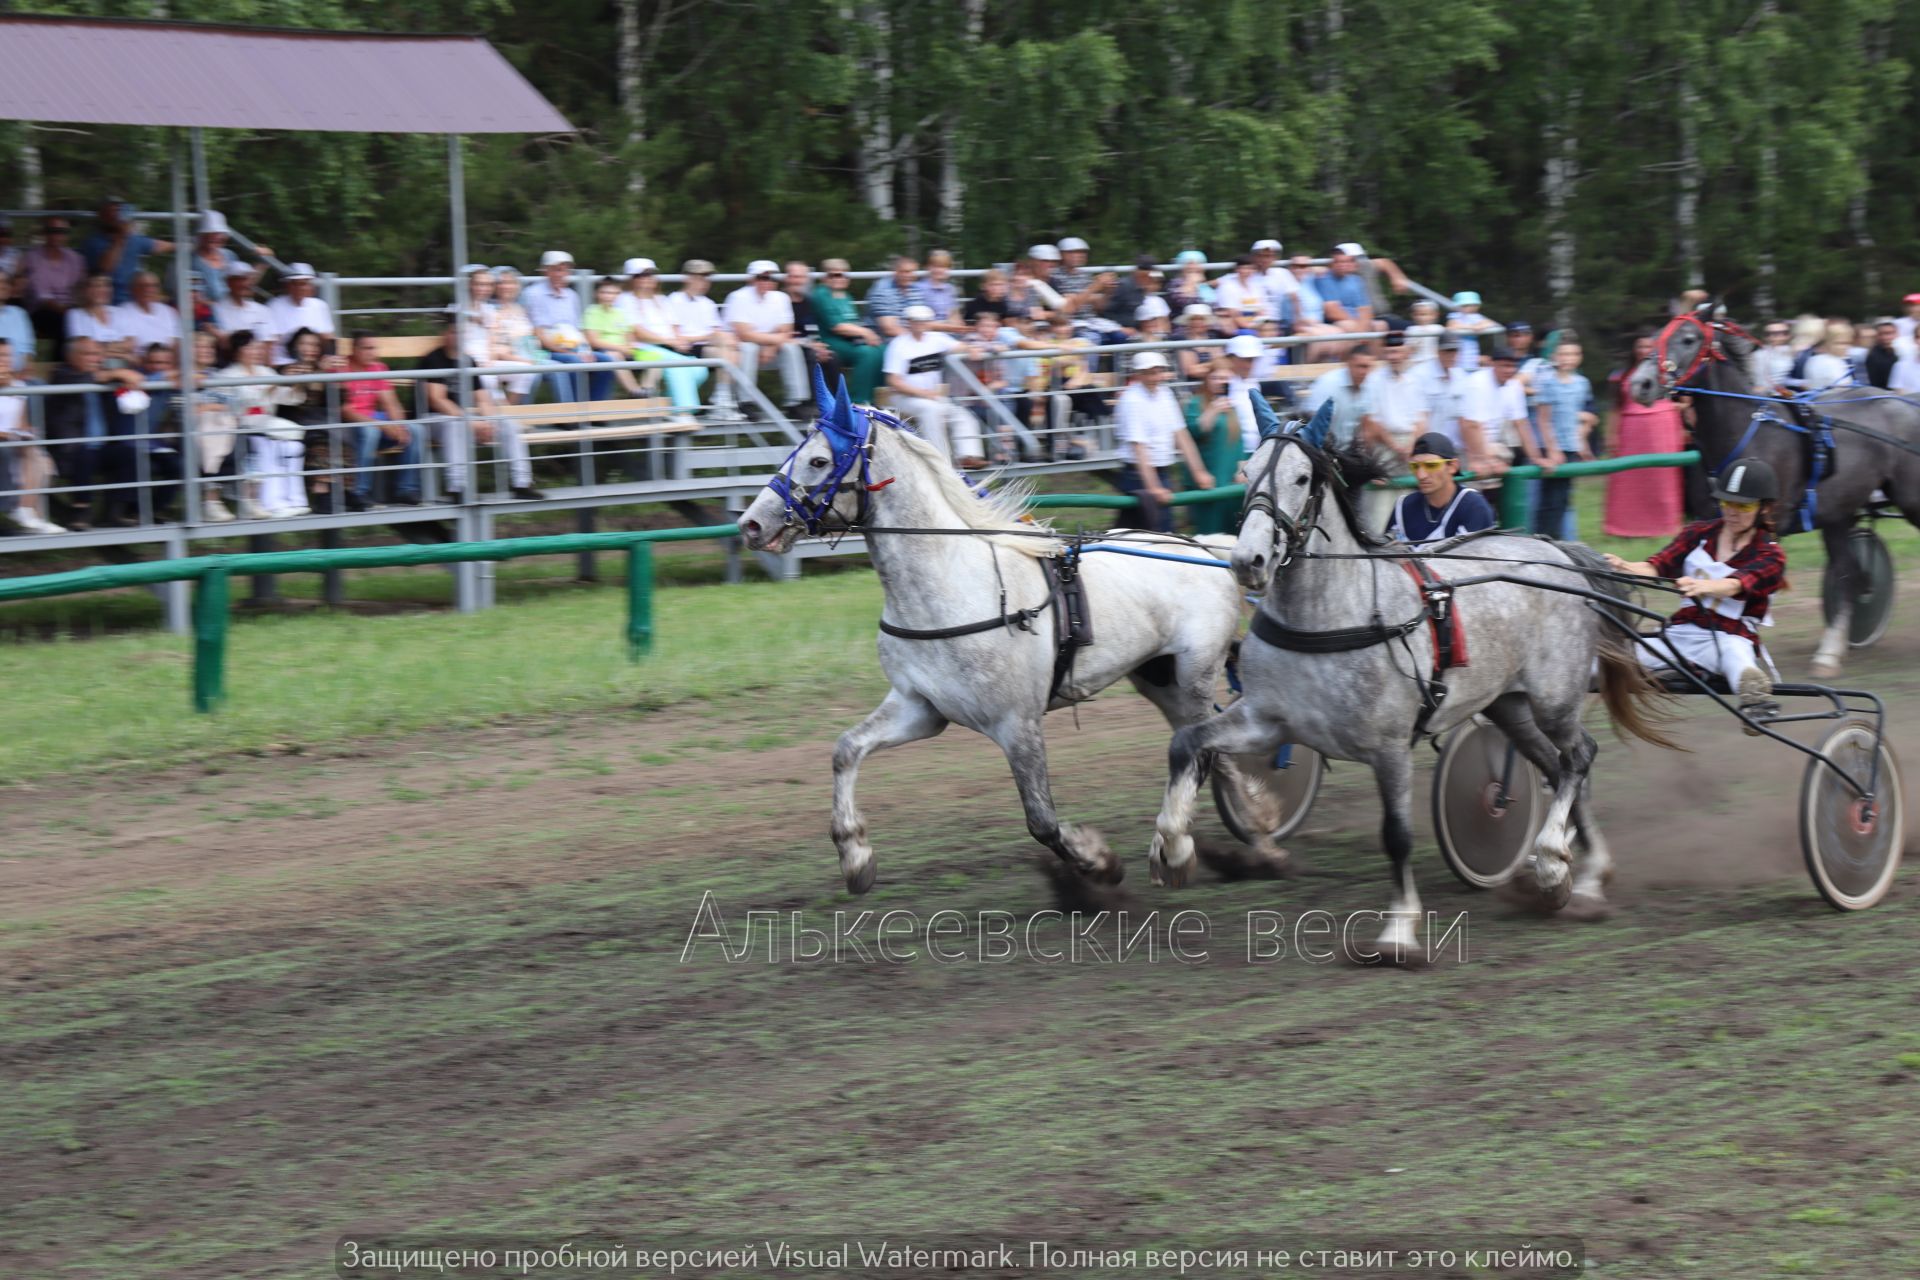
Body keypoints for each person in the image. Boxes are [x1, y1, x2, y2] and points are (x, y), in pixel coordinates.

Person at [1605, 457, 1786, 726]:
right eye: (1726, 502)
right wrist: (1623, 566)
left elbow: (1738, 583)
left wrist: (1707, 586)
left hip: (1728, 637)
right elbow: (1656, 567)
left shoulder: (1771, 555)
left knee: (1736, 658)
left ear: (1764, 508)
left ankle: (1754, 699)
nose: (1732, 512)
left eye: (1743, 505)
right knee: (1613, 656)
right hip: (1679, 635)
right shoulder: (1697, 533)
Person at [414, 312, 543, 503]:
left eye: (462, 333)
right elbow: (437, 400)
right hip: (432, 419)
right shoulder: (433, 360)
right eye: (454, 332)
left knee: (507, 425)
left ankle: (522, 484)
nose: (458, 336)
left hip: (461, 419)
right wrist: (471, 422)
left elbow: (483, 399)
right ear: (445, 334)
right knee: (454, 425)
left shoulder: (469, 361)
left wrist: (488, 422)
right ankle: (457, 488)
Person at [43, 336, 145, 529]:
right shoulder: (61, 374)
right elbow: (80, 380)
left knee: (129, 453)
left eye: (97, 354)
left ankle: (116, 511)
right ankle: (81, 511)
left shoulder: (104, 378)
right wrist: (117, 373)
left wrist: (121, 378)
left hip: (101, 447)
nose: (94, 358)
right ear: (70, 356)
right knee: (85, 454)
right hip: (70, 449)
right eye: (87, 353)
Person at [1110, 351, 1211, 533]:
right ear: (1138, 374)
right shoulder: (1132, 400)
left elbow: (1181, 434)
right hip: (1138, 475)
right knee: (1151, 535)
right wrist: (1153, 487)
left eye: (1158, 372)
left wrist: (1199, 472)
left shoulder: (1165, 393)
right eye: (1149, 373)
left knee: (1154, 534)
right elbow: (1139, 447)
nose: (1155, 377)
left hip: (1158, 473)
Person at [219, 329, 309, 518]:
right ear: (238, 351)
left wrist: (297, 383)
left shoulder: (265, 371)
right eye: (249, 347)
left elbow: (287, 398)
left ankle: (295, 499)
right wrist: (273, 386)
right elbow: (238, 406)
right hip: (243, 424)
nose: (254, 351)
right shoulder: (226, 376)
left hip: (266, 421)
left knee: (294, 441)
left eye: (255, 347)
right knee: (270, 445)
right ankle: (273, 503)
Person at [1604, 333, 1685, 538]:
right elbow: (1616, 407)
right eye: (1640, 346)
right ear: (1634, 349)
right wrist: (1611, 434)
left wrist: (1670, 409)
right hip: (1631, 430)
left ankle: (1664, 526)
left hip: (1662, 430)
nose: (1644, 350)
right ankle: (1626, 528)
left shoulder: (1669, 373)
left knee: (1661, 479)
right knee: (1629, 477)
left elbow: (1686, 401)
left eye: (1649, 346)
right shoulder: (1622, 374)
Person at [882, 303, 984, 466]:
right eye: (917, 321)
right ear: (908, 322)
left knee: (963, 415)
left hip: (931, 396)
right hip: (904, 397)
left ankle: (968, 456)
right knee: (932, 411)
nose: (921, 324)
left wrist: (971, 349)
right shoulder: (898, 345)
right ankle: (939, 459)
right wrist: (923, 394)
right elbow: (893, 381)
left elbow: (959, 346)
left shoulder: (936, 338)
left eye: (924, 321)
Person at [341, 331, 424, 509]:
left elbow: (391, 403)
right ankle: (359, 492)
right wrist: (381, 425)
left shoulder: (378, 368)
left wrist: (398, 425)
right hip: (348, 424)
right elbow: (344, 410)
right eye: (367, 348)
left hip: (373, 418)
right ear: (354, 349)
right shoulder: (342, 368)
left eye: (374, 348)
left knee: (416, 430)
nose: (373, 352)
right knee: (370, 432)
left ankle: (406, 489)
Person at [616, 257, 709, 410]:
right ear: (632, 279)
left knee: (699, 369)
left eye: (651, 274)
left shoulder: (661, 299)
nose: (648, 278)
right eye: (642, 275)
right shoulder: (625, 299)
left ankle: (668, 408)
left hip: (666, 345)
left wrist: (678, 341)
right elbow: (637, 331)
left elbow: (674, 326)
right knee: (677, 367)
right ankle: (684, 412)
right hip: (641, 346)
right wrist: (670, 341)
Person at [524, 250, 617, 403]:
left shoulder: (571, 295)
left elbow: (578, 329)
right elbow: (539, 334)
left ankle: (596, 409)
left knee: (606, 361)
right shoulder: (534, 294)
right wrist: (572, 353)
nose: (562, 274)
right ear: (546, 271)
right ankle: (573, 413)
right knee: (576, 363)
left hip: (573, 346)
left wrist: (585, 350)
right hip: (546, 349)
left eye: (565, 270)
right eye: (557, 269)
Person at [1526, 337, 1596, 539]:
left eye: (1573, 354)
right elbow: (1543, 419)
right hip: (1553, 448)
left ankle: (1555, 540)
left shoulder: (1582, 384)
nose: (1568, 359)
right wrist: (1552, 449)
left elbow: (1576, 416)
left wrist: (1582, 444)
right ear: (1555, 357)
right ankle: (1543, 539)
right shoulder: (1548, 383)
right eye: (1564, 354)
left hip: (1571, 446)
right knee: (1549, 499)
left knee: (1563, 498)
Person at [723, 259, 807, 412]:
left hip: (768, 349)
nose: (767, 281)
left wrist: (772, 346)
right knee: (750, 348)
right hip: (738, 350)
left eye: (771, 277)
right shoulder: (738, 297)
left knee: (791, 349)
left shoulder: (781, 298)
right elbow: (744, 334)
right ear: (751, 279)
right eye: (762, 277)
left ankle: (796, 401)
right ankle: (745, 401)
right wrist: (775, 339)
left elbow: (786, 329)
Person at [1385, 432, 1498, 543]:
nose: (1421, 475)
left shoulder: (1474, 507)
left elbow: (1470, 560)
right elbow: (1385, 552)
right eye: (1415, 466)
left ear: (1452, 466)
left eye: (1431, 465)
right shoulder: (1403, 506)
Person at [0, 346, 65, 534]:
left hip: (12, 442)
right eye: (1, 355)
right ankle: (28, 513)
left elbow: (22, 422)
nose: (5, 359)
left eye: (8, 355)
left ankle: (32, 515)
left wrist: (26, 431)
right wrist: (12, 435)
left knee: (41, 458)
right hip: (5, 443)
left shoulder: (19, 387)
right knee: (33, 454)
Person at [665, 260, 741, 415]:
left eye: (707, 278)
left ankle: (722, 398)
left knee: (732, 351)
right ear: (687, 278)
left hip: (705, 345)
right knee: (729, 348)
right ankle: (723, 400)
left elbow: (717, 332)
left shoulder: (708, 303)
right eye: (700, 277)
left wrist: (715, 337)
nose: (705, 282)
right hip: (684, 347)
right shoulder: (673, 300)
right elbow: (677, 336)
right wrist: (710, 336)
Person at [811, 258, 885, 404]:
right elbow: (837, 326)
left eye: (844, 275)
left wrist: (864, 335)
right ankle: (858, 400)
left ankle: (877, 397)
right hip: (830, 340)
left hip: (849, 340)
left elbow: (852, 323)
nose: (840, 278)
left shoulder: (846, 296)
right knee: (866, 353)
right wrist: (866, 333)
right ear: (826, 277)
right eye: (835, 275)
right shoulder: (822, 294)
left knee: (881, 349)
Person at [1184, 365, 1243, 535]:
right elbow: (1194, 432)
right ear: (1207, 380)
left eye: (1225, 378)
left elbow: (1239, 441)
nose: (1221, 382)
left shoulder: (1232, 408)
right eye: (1216, 378)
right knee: (1210, 534)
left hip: (1231, 480)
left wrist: (1241, 469)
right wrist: (1213, 410)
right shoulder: (1195, 403)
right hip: (1209, 478)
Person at [81, 199, 173, 305]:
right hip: (112, 302)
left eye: (119, 211)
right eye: (111, 211)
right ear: (102, 216)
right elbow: (106, 268)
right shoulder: (93, 242)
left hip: (137, 298)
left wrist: (184, 246)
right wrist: (121, 237)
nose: (116, 216)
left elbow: (158, 245)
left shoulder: (133, 239)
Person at [22, 217, 88, 343]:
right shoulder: (33, 258)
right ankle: (64, 359)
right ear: (45, 233)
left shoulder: (76, 258)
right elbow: (43, 298)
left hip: (71, 307)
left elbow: (82, 287)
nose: (58, 235)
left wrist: (81, 307)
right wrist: (69, 312)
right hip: (41, 310)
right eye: (53, 231)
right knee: (65, 322)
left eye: (62, 231)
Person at [1304, 342, 1377, 449]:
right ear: (1348, 364)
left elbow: (1367, 427)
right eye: (1360, 366)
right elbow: (1313, 423)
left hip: (1348, 452)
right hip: (1322, 449)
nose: (1363, 372)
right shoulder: (1327, 384)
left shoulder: (1369, 386)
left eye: (1367, 367)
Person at [486, 267, 541, 404]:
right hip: (501, 358)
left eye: (511, 282)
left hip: (528, 356)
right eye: (501, 283)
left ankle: (512, 414)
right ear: (494, 286)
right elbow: (496, 349)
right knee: (532, 372)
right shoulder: (491, 311)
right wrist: (523, 360)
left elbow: (530, 336)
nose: (506, 287)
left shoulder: (519, 309)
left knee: (557, 369)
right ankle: (514, 414)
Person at [265, 264, 333, 365]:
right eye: (295, 283)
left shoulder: (320, 305)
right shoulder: (274, 305)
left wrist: (330, 358)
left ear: (310, 285)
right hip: (283, 363)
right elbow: (268, 344)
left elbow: (329, 338)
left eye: (304, 283)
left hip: (314, 363)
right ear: (287, 285)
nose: (299, 288)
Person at [64, 274, 132, 365]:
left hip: (122, 363)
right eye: (96, 286)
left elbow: (130, 343)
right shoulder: (75, 314)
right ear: (85, 290)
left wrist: (102, 348)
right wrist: (123, 353)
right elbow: (85, 347)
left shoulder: (120, 312)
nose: (101, 290)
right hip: (93, 366)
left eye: (106, 285)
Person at [114, 272, 181, 358]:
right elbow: (128, 346)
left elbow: (176, 344)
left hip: (168, 361)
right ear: (132, 289)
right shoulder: (122, 311)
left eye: (154, 286)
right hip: (139, 363)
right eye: (143, 285)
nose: (148, 289)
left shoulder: (169, 311)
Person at [864, 256, 927, 340]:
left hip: (908, 336)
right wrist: (915, 339)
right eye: (905, 272)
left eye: (912, 272)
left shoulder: (914, 289)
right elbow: (889, 329)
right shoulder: (882, 289)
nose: (909, 275)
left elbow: (921, 319)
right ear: (895, 272)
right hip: (883, 339)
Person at [211, 262, 274, 345]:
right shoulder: (217, 310)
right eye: (239, 280)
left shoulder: (262, 310)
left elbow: (268, 344)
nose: (245, 284)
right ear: (228, 282)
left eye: (247, 279)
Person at [920, 250, 965, 332]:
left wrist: (959, 326)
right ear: (928, 267)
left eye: (944, 267)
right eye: (936, 266)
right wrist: (949, 326)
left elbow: (955, 315)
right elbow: (922, 322)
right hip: (930, 334)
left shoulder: (950, 289)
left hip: (949, 332)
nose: (940, 270)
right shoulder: (920, 289)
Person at [1176, 304, 1220, 382]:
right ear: (1188, 323)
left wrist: (1201, 367)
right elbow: (1190, 371)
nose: (1197, 322)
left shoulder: (1213, 338)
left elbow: (1222, 365)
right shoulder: (1182, 341)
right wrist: (1214, 365)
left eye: (1201, 319)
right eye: (1194, 319)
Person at [0, 275, 33, 372]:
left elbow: (28, 350)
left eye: (6, 282)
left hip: (20, 378)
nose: (4, 286)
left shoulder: (19, 313)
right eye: (0, 282)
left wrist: (23, 372)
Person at [1863, 320, 1901, 390]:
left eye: (1889, 333)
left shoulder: (1907, 352)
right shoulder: (1873, 356)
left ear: (1897, 334)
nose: (1885, 337)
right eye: (1880, 334)